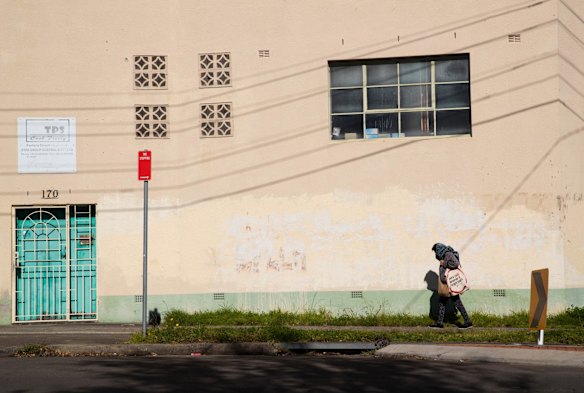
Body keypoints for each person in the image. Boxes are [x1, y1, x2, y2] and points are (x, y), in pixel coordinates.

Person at [429, 243, 473, 329]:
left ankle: (468, 321)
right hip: (446, 284)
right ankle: (440, 323)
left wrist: (444, 263)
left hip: (451, 284)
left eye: (436, 251)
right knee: (443, 302)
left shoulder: (448, 254)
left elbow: (456, 264)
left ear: (439, 249)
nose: (435, 254)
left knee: (457, 302)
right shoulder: (443, 255)